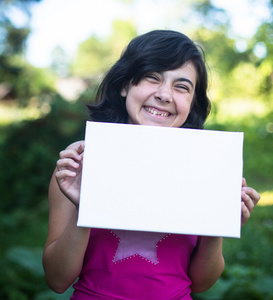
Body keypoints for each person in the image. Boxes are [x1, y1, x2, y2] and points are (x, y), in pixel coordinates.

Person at [43, 30, 260, 300]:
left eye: (181, 86)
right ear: (125, 86)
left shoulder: (206, 167)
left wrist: (221, 224)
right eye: (152, 77)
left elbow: (203, 283)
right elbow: (57, 280)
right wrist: (85, 206)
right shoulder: (79, 163)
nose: (165, 94)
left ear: (192, 101)